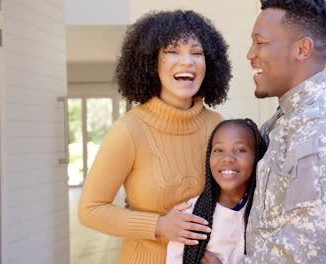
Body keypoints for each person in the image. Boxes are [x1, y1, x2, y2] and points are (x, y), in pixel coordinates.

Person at [203, 1, 326, 263]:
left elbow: (303, 253)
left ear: (302, 49)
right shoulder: (284, 122)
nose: (250, 54)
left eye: (260, 42)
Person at [78, 10, 231, 264]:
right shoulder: (129, 130)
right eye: (172, 51)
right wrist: (158, 225)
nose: (187, 62)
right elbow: (90, 209)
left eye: (197, 52)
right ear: (150, 62)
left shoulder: (219, 126)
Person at [166, 119, 267, 264]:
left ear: (257, 157)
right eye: (219, 150)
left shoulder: (267, 211)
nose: (227, 158)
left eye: (240, 150)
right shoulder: (191, 216)